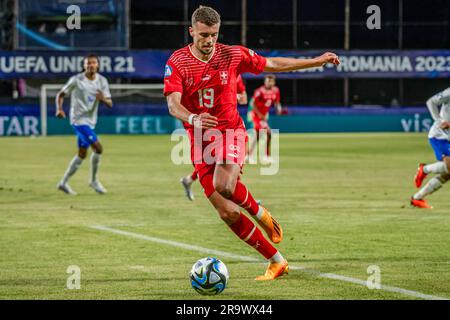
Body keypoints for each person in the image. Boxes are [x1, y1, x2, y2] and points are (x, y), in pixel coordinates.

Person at [164, 6, 339, 280]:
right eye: (203, 35)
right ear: (191, 31)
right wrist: (194, 117)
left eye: (213, 34)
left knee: (224, 185)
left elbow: (273, 64)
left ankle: (260, 212)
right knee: (227, 212)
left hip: (230, 131)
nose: (208, 40)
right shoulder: (178, 62)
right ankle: (277, 261)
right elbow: (173, 104)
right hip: (199, 140)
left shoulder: (232, 54)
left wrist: (315, 61)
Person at [180, 74, 247, 201]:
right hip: (209, 126)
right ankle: (242, 199)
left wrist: (235, 97)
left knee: (229, 162)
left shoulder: (236, 76)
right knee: (216, 162)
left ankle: (189, 180)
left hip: (227, 124)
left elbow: (244, 99)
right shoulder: (210, 74)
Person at [56, 54, 113, 195]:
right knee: (98, 148)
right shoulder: (76, 80)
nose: (91, 65)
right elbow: (61, 94)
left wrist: (103, 99)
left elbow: (110, 104)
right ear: (84, 66)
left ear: (98, 65)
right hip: (78, 120)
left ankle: (63, 183)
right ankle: (93, 180)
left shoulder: (102, 81)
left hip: (90, 121)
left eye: (93, 63)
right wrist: (59, 109)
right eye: (88, 63)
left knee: (82, 154)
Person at [411, 87, 450, 209]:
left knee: (448, 174)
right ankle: (424, 169)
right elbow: (431, 102)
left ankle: (417, 198)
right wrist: (440, 121)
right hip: (440, 135)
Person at [247, 74, 282, 163]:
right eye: (267, 81)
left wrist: (278, 108)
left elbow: (277, 102)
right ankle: (266, 156)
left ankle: (248, 155)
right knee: (268, 133)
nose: (268, 83)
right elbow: (253, 104)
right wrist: (259, 115)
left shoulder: (276, 91)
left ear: (273, 82)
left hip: (263, 116)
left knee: (259, 135)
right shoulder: (259, 91)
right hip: (256, 115)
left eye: (270, 81)